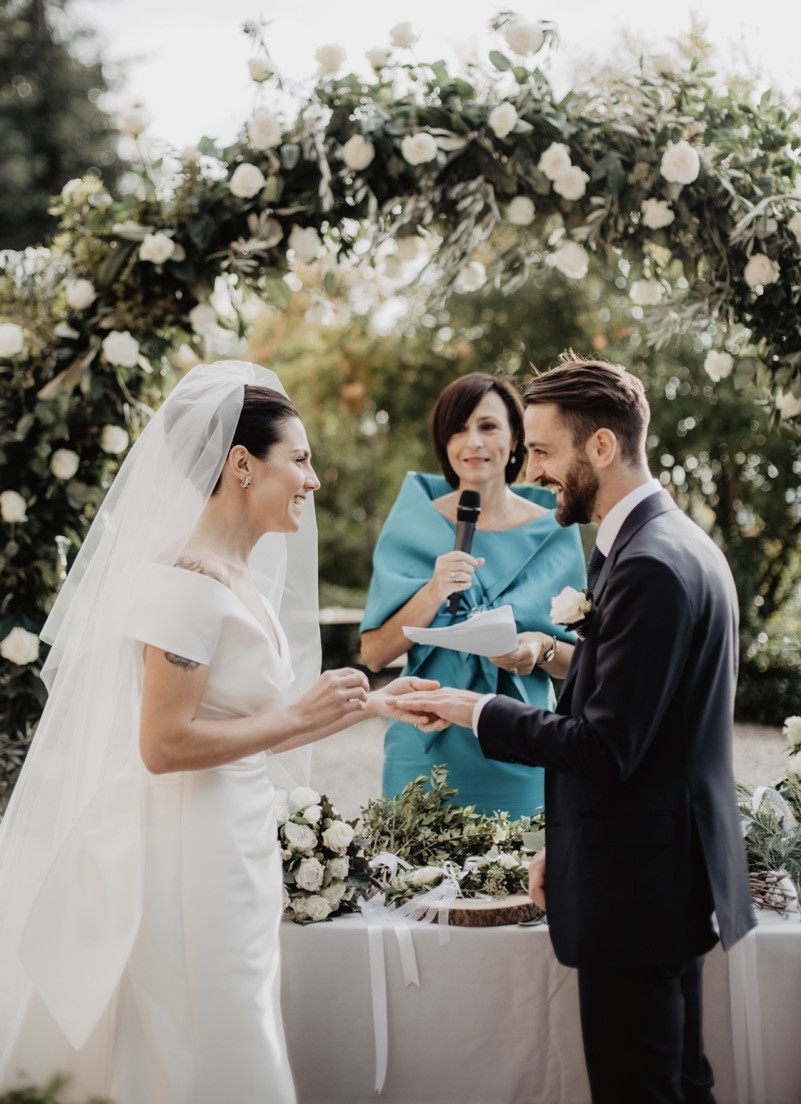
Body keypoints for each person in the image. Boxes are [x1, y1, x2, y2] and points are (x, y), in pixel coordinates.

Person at [0, 361, 437, 1103]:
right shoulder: (187, 580)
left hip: (234, 845)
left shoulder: (237, 576)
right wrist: (300, 714)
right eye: (299, 459)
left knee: (230, 1025)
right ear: (241, 463)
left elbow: (246, 725)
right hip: (185, 856)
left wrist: (369, 706)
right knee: (214, 1038)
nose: (314, 480)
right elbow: (163, 744)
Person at [399, 354, 755, 1104]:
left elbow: (604, 745)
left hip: (638, 892)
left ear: (600, 447)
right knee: (677, 1086)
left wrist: (475, 710)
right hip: (653, 874)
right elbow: (637, 708)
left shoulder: (651, 563)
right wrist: (565, 846)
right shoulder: (669, 542)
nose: (532, 471)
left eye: (543, 451)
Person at [360, 372, 585, 817]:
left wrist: (536, 649)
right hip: (424, 743)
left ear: (516, 438)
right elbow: (372, 654)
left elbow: (582, 662)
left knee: (520, 884)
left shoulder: (556, 529)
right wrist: (432, 591)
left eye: (488, 426)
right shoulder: (412, 522)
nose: (472, 442)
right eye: (458, 429)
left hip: (522, 744)